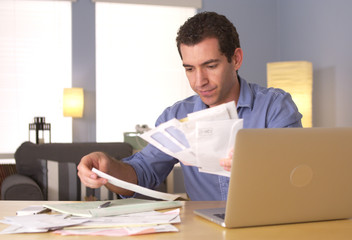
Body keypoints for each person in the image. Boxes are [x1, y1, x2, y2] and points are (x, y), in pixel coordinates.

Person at [77, 11, 302, 201]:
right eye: (190, 69)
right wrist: (107, 168)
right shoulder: (177, 116)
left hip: (267, 226)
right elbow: (142, 173)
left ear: (236, 59)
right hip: (203, 230)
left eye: (210, 66)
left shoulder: (274, 107)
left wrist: (256, 164)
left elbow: (297, 174)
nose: (199, 81)